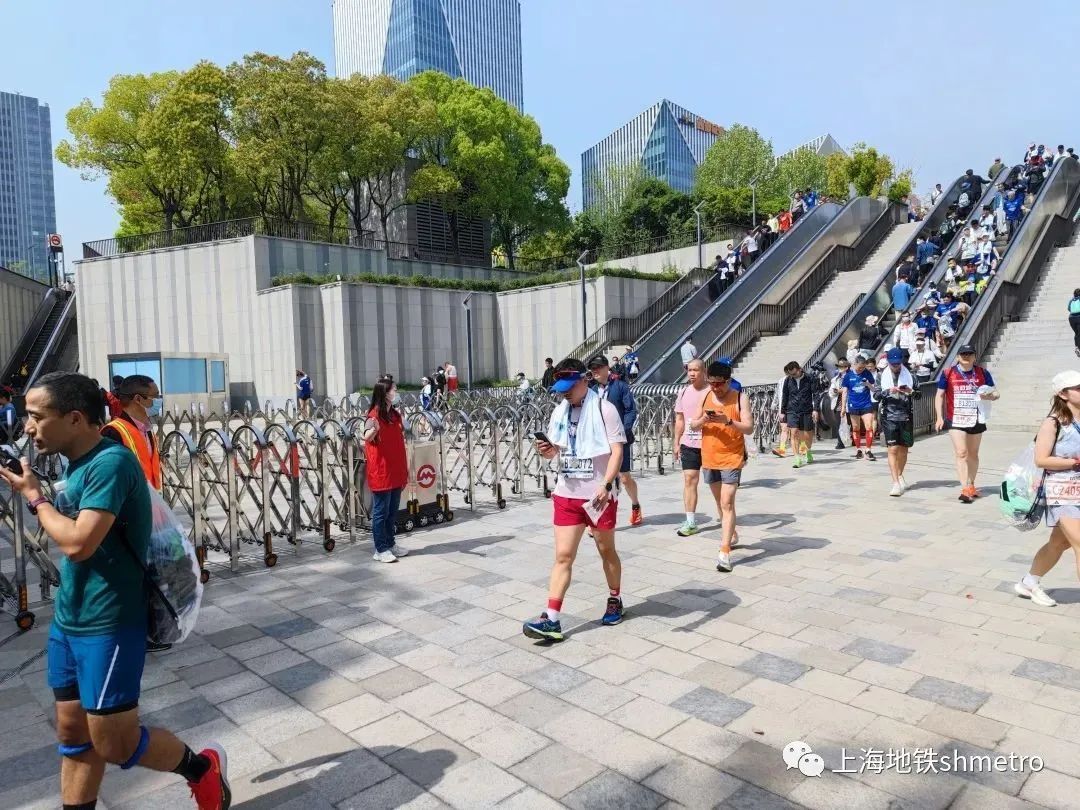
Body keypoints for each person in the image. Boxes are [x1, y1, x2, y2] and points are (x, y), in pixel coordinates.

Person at [0, 372, 229, 810]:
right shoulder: (75, 461)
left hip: (109, 622)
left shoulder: (111, 463)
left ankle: (202, 769)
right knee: (73, 734)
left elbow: (78, 543)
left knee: (115, 744)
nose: (27, 427)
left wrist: (35, 497)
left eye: (36, 417)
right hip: (69, 618)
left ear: (74, 419)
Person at [525, 358, 626, 641]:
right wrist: (547, 450)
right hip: (566, 495)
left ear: (585, 380)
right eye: (561, 389)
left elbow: (617, 452)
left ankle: (615, 598)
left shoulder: (605, 410)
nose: (565, 393)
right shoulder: (560, 411)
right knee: (563, 556)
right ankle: (551, 618)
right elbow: (555, 450)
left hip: (598, 496)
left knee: (606, 551)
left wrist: (606, 484)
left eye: (570, 387)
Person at [1013, 370, 1080, 608]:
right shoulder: (1053, 423)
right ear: (1063, 394)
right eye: (1078, 388)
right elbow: (1041, 459)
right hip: (1062, 491)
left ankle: (1029, 582)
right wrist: (1074, 462)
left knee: (1059, 543)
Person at [690, 361, 753, 573]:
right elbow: (693, 424)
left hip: (732, 457)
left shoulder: (740, 398)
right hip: (709, 457)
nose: (715, 388)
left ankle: (724, 552)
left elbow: (749, 428)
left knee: (727, 502)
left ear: (728, 381)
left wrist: (728, 421)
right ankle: (731, 532)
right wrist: (704, 419)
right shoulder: (705, 396)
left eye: (719, 384)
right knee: (720, 502)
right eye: (712, 383)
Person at [935, 344, 1000, 503]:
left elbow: (996, 393)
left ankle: (971, 484)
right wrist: (939, 417)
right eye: (963, 354)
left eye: (969, 354)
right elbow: (939, 395)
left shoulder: (982, 373)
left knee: (973, 453)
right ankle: (964, 488)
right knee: (962, 452)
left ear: (974, 357)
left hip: (976, 418)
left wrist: (989, 396)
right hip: (956, 419)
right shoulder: (948, 373)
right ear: (957, 357)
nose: (966, 356)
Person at [588, 355, 642, 526]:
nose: (595, 371)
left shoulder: (620, 386)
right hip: (599, 441)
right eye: (592, 368)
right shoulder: (591, 390)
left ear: (607, 368)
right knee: (601, 479)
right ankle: (598, 517)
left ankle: (635, 504)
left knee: (624, 478)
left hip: (619, 439)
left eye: (598, 367)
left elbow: (630, 410)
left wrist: (622, 431)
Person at [362, 378, 410, 563]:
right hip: (381, 471)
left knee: (392, 511)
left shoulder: (394, 414)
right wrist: (374, 430)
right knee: (381, 512)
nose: (395, 392)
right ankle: (380, 549)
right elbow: (366, 436)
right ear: (384, 393)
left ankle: (390, 543)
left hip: (395, 469)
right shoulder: (373, 415)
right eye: (393, 390)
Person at [101, 376, 162, 492]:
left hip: (150, 499)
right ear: (138, 399)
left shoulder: (147, 429)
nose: (159, 401)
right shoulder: (112, 433)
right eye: (155, 396)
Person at [673, 359, 709, 536]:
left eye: (696, 370)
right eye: (689, 370)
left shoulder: (712, 391)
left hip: (710, 444)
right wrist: (676, 442)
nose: (692, 373)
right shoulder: (683, 392)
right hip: (689, 443)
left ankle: (727, 520)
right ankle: (690, 521)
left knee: (716, 485)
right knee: (689, 479)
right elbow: (679, 419)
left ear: (704, 371)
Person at [878, 348, 915, 496]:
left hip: (906, 416)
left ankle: (900, 475)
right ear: (888, 362)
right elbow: (876, 395)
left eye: (898, 364)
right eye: (892, 364)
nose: (895, 366)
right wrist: (888, 391)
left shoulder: (910, 375)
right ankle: (895, 483)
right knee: (893, 449)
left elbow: (919, 394)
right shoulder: (881, 375)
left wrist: (910, 392)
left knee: (904, 449)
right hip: (889, 416)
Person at [779, 361, 819, 469]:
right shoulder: (788, 380)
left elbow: (816, 394)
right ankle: (797, 458)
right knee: (794, 433)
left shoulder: (810, 378)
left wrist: (815, 409)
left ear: (799, 369)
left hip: (806, 410)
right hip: (792, 410)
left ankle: (808, 451)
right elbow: (785, 396)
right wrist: (782, 411)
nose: (792, 376)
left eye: (794, 373)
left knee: (807, 435)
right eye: (790, 374)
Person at [841, 354, 879, 461]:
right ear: (854, 364)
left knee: (869, 427)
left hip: (866, 404)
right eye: (859, 367)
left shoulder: (867, 373)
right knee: (856, 428)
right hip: (853, 405)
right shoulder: (848, 376)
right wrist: (843, 407)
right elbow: (844, 392)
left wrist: (867, 384)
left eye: (863, 368)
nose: (861, 370)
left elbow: (873, 389)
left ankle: (868, 450)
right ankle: (858, 449)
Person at [828, 358, 851, 450]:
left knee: (850, 423)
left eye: (842, 367)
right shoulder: (835, 379)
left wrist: (842, 390)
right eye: (839, 366)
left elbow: (851, 389)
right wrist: (836, 391)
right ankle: (840, 442)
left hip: (849, 403)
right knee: (839, 423)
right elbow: (831, 392)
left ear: (846, 367)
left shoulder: (851, 377)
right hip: (838, 403)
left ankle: (851, 440)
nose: (840, 368)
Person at [1069, 290, 1080, 358]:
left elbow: (1069, 309)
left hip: (1071, 318)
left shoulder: (1071, 300)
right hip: (1079, 317)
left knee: (1077, 333)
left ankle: (1077, 347)